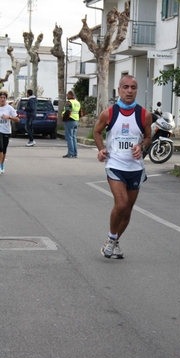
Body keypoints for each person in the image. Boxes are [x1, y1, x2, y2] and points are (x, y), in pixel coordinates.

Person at [93, 75, 152, 259]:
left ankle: (114, 242)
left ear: (137, 90)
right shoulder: (109, 113)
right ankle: (111, 239)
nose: (129, 90)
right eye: (125, 87)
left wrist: (140, 146)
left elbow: (148, 137)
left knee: (128, 209)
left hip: (135, 168)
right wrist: (102, 149)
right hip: (115, 165)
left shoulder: (144, 115)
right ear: (119, 90)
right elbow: (96, 131)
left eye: (133, 87)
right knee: (122, 203)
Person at [0, 90, 20, 174]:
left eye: (4, 98)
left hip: (6, 131)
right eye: (1, 97)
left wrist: (9, 117)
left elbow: (17, 119)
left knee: (4, 150)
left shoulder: (9, 108)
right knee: (0, 148)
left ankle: (2, 164)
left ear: (6, 98)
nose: (2, 99)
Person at [62, 90, 81, 158]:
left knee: (69, 137)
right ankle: (75, 153)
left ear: (70, 95)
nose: (67, 96)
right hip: (76, 120)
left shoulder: (69, 102)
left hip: (70, 121)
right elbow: (80, 112)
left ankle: (70, 153)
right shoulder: (77, 102)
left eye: (67, 95)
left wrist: (64, 119)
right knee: (73, 137)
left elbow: (67, 111)